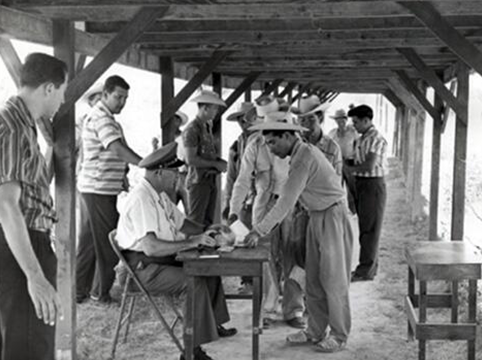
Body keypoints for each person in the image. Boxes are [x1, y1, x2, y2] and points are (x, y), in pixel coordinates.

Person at [243, 112, 353, 353]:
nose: (270, 149)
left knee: (333, 281)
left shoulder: (304, 158)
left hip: (332, 217)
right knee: (312, 278)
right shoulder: (299, 154)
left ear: (287, 136)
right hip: (316, 216)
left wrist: (258, 230)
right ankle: (315, 330)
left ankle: (339, 335)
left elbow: (285, 202)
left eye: (273, 142)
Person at [116, 142, 236, 360]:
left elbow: (183, 224)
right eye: (175, 174)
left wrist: (208, 230)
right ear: (159, 172)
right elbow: (151, 248)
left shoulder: (159, 194)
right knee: (194, 282)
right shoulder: (142, 198)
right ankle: (192, 351)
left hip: (160, 261)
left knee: (208, 268)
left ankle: (211, 324)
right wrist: (191, 243)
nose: (178, 179)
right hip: (143, 269)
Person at [0, 52, 68, 360]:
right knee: (30, 344)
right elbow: (6, 206)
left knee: (19, 340)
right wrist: (35, 276)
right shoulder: (13, 127)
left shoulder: (21, 123)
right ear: (49, 88)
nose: (63, 101)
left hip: (21, 241)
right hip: (23, 244)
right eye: (63, 91)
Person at [228, 97, 305, 329]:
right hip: (263, 205)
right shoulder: (254, 145)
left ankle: (294, 309)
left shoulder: (295, 143)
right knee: (264, 256)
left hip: (290, 204)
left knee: (292, 254)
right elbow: (242, 180)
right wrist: (233, 209)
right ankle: (269, 310)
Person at [76, 75, 142, 304]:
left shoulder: (107, 118)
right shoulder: (101, 117)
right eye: (118, 97)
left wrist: (124, 173)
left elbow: (118, 149)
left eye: (125, 98)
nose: (121, 102)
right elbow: (115, 147)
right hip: (98, 189)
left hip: (94, 188)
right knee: (108, 242)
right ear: (104, 95)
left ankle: (78, 291)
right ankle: (100, 292)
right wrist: (143, 163)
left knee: (88, 242)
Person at [345, 105, 387, 282]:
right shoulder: (362, 139)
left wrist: (348, 168)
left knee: (370, 229)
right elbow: (357, 160)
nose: (354, 126)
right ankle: (369, 268)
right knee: (365, 227)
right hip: (362, 184)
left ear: (366, 120)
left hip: (373, 185)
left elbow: (369, 165)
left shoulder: (376, 138)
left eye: (356, 122)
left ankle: (365, 270)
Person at [182, 90, 228, 227]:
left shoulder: (206, 127)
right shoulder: (192, 129)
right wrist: (215, 164)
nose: (216, 112)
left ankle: (204, 246)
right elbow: (190, 159)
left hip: (208, 179)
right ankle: (193, 247)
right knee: (195, 221)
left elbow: (205, 155)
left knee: (207, 221)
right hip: (198, 181)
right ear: (205, 108)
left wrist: (218, 163)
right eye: (214, 108)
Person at [297, 95, 342, 175]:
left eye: (311, 118)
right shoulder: (295, 144)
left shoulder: (332, 148)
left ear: (320, 118)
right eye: (302, 120)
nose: (306, 124)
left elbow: (337, 181)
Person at [328, 108, 359, 213]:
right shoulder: (332, 134)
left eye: (343, 120)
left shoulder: (353, 132)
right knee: (336, 187)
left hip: (349, 162)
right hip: (337, 163)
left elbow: (357, 146)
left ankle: (353, 210)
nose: (340, 122)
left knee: (352, 188)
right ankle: (337, 209)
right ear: (335, 121)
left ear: (346, 120)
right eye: (338, 120)